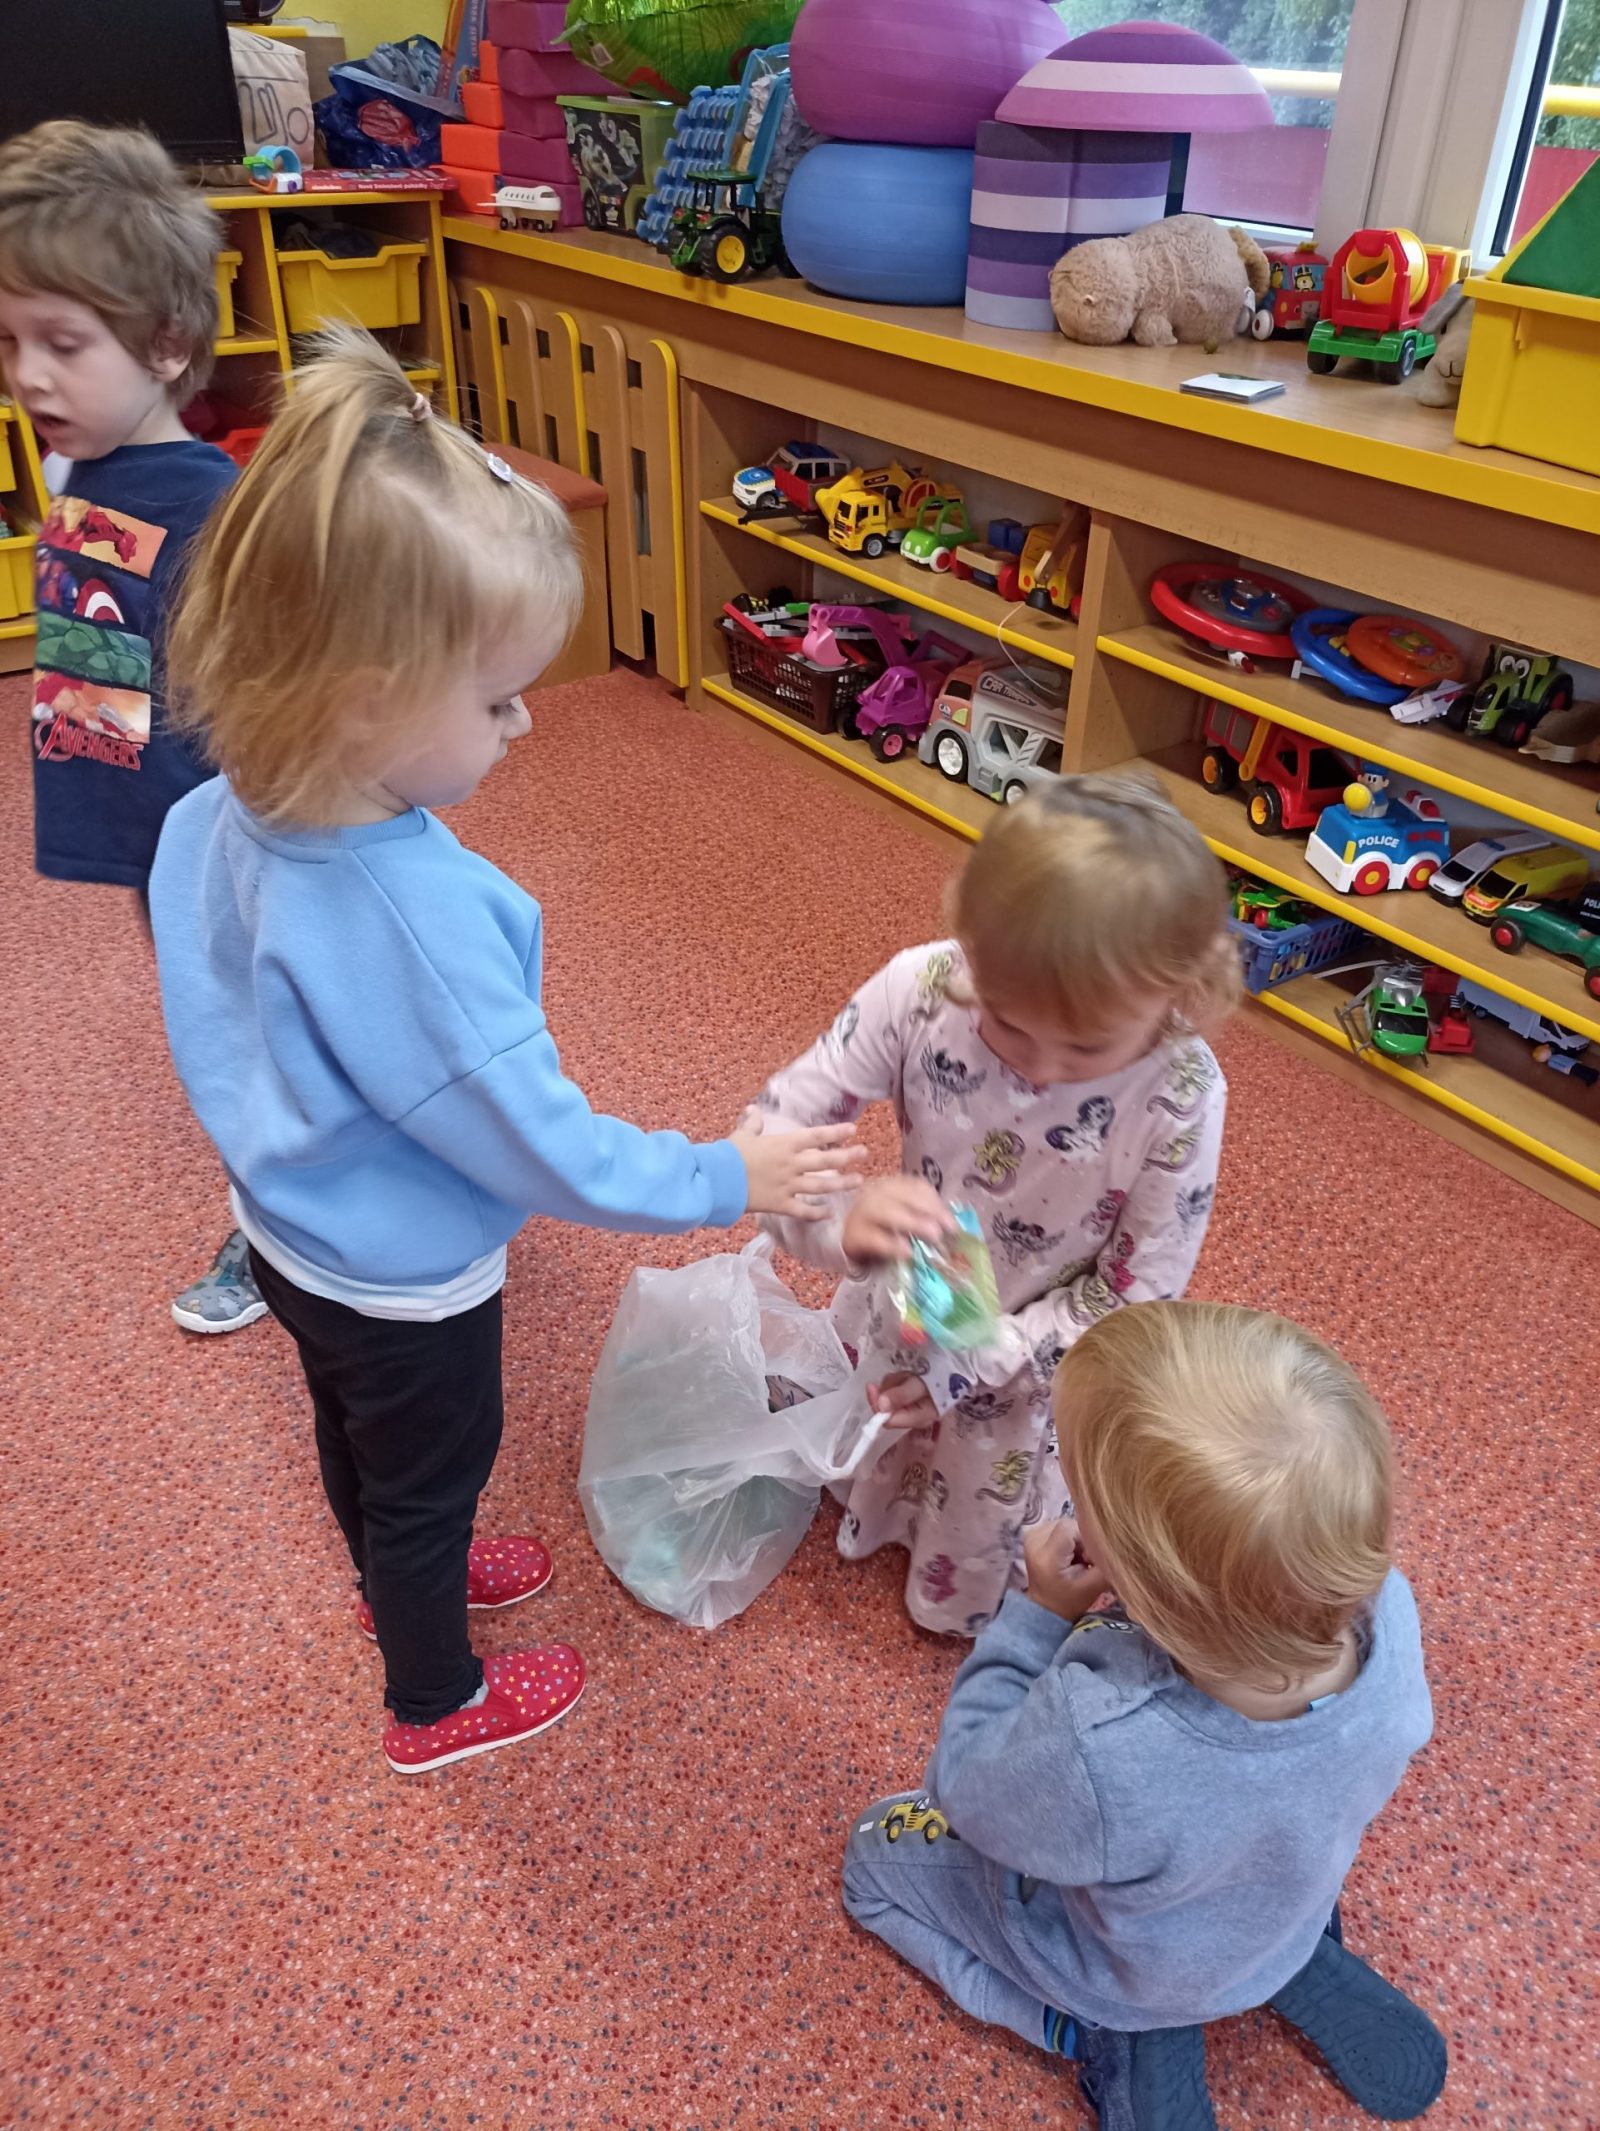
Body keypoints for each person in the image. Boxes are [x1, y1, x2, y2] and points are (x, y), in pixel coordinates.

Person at [147, 328, 862, 1774]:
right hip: (405, 1279)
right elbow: (542, 1141)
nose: (528, 720)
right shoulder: (409, 918)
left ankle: (393, 1577)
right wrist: (730, 1171)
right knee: (426, 1468)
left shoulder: (211, 813)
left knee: (354, 1438)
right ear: (360, 695)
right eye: (493, 699)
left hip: (285, 1225)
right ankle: (434, 1698)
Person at [842, 1302, 1443, 2131]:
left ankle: (1081, 2027)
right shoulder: (1391, 1620)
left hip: (1120, 1970)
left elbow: (966, 1789)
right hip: (1279, 1909)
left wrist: (1038, 1617)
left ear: (1142, 1588)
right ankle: (1288, 1963)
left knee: (870, 1860)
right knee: (1238, 1862)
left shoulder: (1103, 1740)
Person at [750, 772, 1235, 1633]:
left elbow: (1132, 1301)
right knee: (882, 1428)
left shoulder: (1182, 1091)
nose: (1039, 1070)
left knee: (984, 1517)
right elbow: (772, 1132)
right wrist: (838, 1226)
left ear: (1180, 997)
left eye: (1087, 1048)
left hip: (1037, 1363)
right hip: (915, 1290)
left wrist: (966, 1366)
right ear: (971, 948)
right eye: (1006, 1022)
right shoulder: (923, 987)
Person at [0, 120, 267, 1336]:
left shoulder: (210, 510)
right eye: (12, 343)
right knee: (219, 1037)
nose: (31, 377)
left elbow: (268, 694)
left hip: (218, 845)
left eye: (64, 344)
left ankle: (281, 1226)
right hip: (144, 840)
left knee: (261, 1045)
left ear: (166, 344)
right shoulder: (83, 470)